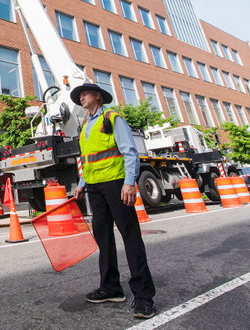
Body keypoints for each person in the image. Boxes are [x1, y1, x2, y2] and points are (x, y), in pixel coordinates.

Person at [70, 83, 157, 319]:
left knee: (130, 236)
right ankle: (111, 288)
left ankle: (144, 297)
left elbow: (129, 151)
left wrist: (130, 182)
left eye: (85, 93)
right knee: (103, 238)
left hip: (117, 184)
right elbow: (87, 160)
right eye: (79, 95)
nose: (81, 97)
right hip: (95, 189)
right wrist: (81, 184)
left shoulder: (112, 118)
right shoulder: (86, 124)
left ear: (97, 96)